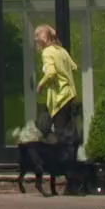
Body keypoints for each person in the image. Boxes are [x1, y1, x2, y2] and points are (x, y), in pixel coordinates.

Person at [33, 24, 81, 153]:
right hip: (69, 94)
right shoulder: (61, 50)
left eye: (37, 40)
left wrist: (41, 84)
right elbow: (74, 66)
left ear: (42, 40)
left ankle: (63, 159)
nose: (37, 44)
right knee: (66, 129)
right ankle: (70, 154)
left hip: (60, 97)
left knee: (59, 132)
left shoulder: (47, 52)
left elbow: (51, 73)